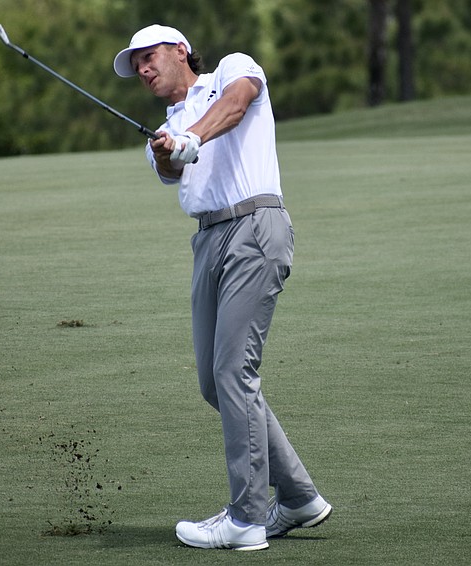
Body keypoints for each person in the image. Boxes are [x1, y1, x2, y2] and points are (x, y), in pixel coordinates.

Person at [113, 25, 333, 551]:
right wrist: (170, 147)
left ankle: (246, 517)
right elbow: (168, 167)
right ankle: (299, 497)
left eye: (149, 57)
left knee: (235, 371)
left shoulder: (231, 70)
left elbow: (239, 102)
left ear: (181, 51)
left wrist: (193, 137)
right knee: (216, 383)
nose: (142, 69)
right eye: (135, 64)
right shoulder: (165, 127)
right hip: (208, 241)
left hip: (254, 226)